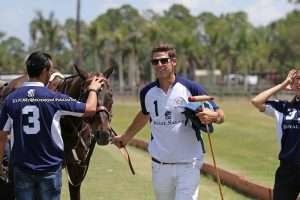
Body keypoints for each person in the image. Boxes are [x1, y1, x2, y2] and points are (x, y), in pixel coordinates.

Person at [112, 44, 224, 200]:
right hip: (160, 164)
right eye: (155, 62)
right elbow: (145, 114)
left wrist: (213, 116)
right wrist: (125, 137)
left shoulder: (191, 88)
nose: (159, 65)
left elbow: (220, 113)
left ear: (173, 62)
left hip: (188, 163)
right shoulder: (146, 92)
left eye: (163, 61)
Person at [0, 51, 105, 200]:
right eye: (50, 70)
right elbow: (90, 109)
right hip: (49, 170)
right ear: (44, 71)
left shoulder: (10, 100)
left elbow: (2, 137)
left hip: (22, 169)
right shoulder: (54, 98)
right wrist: (93, 89)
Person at [251, 69, 300, 200]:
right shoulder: (283, 107)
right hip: (287, 170)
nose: (299, 82)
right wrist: (282, 85)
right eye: (297, 79)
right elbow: (256, 101)